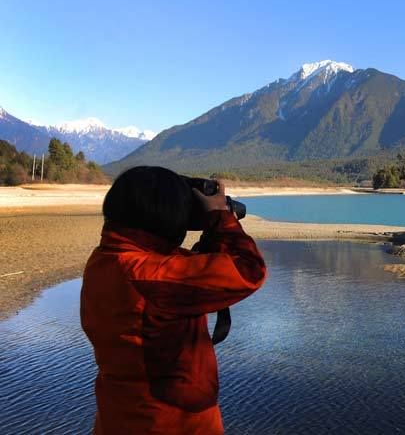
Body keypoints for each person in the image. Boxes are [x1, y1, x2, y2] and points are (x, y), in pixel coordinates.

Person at [81, 166, 266, 434]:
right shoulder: (150, 276)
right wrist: (221, 218)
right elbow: (249, 270)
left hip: (121, 416)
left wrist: (214, 231)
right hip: (169, 423)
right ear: (163, 215)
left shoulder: (107, 259)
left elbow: (183, 269)